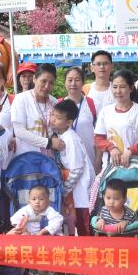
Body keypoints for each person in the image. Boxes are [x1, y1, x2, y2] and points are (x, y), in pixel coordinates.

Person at [94, 70, 138, 168]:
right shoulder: (105, 112)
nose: (118, 91)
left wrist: (131, 151)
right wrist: (111, 148)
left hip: (136, 168)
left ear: (131, 88)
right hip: (111, 168)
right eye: (115, 87)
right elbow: (98, 139)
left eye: (122, 87)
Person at [50, 98, 92, 236]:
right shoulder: (61, 135)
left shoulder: (71, 139)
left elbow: (77, 169)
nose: (53, 120)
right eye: (53, 115)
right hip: (73, 188)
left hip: (80, 191)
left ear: (68, 122)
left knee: (83, 226)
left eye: (57, 118)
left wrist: (64, 190)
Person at [11, 62, 58, 156]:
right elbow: (19, 131)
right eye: (43, 81)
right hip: (27, 158)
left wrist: (55, 136)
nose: (47, 86)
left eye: (51, 83)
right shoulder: (21, 99)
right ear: (34, 79)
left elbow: (56, 128)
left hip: (48, 159)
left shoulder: (53, 101)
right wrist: (48, 143)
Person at [64, 66, 99, 172]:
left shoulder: (92, 104)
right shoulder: (58, 105)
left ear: (83, 82)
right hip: (66, 163)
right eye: (70, 80)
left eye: (77, 80)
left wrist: (98, 163)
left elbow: (100, 135)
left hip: (89, 161)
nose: (73, 83)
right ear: (65, 82)